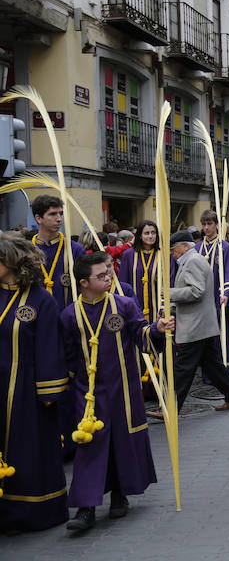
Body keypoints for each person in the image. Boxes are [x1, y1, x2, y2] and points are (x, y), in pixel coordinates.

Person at [62, 253, 172, 532]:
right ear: (84, 282)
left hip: (123, 389)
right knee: (89, 446)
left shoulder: (123, 305)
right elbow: (69, 357)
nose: (108, 278)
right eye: (101, 276)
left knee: (121, 442)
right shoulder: (69, 315)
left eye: (108, 272)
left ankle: (119, 496)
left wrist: (157, 329)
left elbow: (142, 337)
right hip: (87, 395)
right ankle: (86, 508)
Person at [0, 233, 69, 532]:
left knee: (27, 450)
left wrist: (49, 390)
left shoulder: (42, 299)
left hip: (27, 392)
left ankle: (32, 512)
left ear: (11, 260)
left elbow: (50, 345)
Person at [165, 230, 229, 413]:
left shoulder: (192, 261)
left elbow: (196, 291)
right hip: (201, 324)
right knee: (212, 365)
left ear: (184, 246)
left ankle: (170, 408)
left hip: (195, 325)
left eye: (173, 249)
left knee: (183, 368)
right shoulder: (193, 259)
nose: (172, 253)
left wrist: (170, 293)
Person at [31, 194, 86, 459]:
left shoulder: (73, 250)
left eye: (60, 214)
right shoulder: (26, 250)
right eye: (52, 214)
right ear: (38, 218)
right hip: (35, 332)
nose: (59, 219)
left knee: (70, 385)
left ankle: (72, 442)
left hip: (69, 330)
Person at [196, 210, 229, 366]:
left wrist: (226, 293)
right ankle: (207, 369)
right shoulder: (198, 247)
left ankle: (222, 365)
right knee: (204, 335)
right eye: (204, 224)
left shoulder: (225, 247)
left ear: (217, 225)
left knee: (220, 332)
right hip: (201, 297)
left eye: (209, 224)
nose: (206, 227)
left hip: (217, 295)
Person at [119, 220, 172, 323]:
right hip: (134, 305)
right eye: (146, 233)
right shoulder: (128, 255)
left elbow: (170, 281)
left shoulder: (164, 256)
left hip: (158, 307)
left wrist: (165, 307)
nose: (150, 236)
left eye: (153, 233)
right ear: (139, 235)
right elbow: (123, 283)